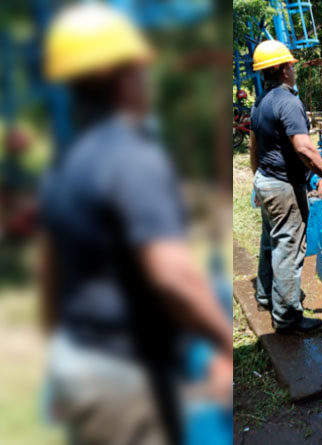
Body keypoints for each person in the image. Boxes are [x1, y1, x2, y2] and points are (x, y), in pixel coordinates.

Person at [40, 4, 232, 443]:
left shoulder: (65, 164)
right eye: (139, 70)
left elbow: (52, 271)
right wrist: (225, 346)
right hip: (128, 375)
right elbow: (172, 273)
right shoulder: (132, 158)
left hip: (80, 366)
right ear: (118, 76)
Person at [248, 40, 322, 334]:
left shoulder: (261, 101)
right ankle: (288, 316)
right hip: (283, 187)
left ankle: (266, 296)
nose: (294, 68)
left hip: (265, 181)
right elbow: (304, 148)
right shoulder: (288, 101)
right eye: (290, 64)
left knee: (270, 241)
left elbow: (254, 147)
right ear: (281, 69)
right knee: (288, 248)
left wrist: (257, 182)